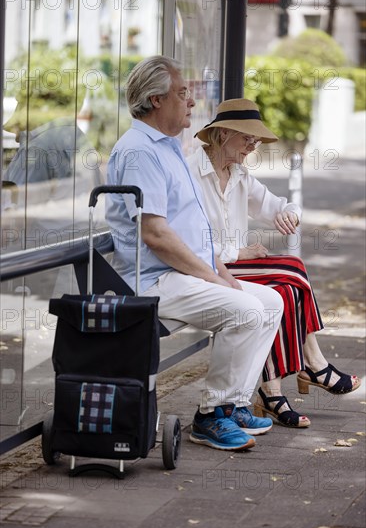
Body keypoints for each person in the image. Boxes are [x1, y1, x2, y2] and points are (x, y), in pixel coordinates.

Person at [105, 56, 284, 451]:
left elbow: (197, 229)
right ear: (156, 100)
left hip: (181, 272)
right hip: (153, 279)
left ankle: (234, 403)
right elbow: (157, 236)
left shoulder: (169, 147)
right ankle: (209, 416)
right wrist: (213, 277)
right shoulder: (139, 152)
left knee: (270, 301)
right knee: (247, 310)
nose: (191, 102)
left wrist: (223, 273)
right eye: (183, 93)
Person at [187, 98, 361, 428]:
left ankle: (272, 392)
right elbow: (191, 239)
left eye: (256, 140)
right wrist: (238, 253)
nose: (253, 146)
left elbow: (281, 205)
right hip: (206, 266)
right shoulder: (192, 173)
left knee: (284, 285)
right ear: (223, 134)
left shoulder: (238, 174)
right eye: (247, 139)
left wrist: (286, 215)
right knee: (291, 271)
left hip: (233, 264)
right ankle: (312, 364)